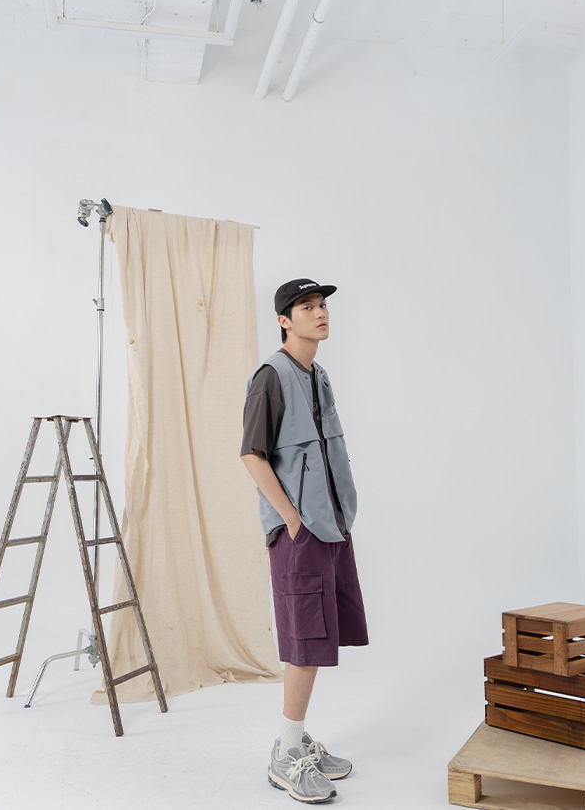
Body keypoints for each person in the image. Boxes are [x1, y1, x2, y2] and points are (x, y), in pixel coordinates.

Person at [241, 278, 368, 804]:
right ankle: (286, 753)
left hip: (330, 525)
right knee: (305, 641)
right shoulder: (271, 376)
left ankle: (299, 739)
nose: (320, 313)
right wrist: (291, 519)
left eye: (322, 305)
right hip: (301, 532)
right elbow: (251, 454)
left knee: (320, 636)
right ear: (283, 320)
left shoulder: (318, 374)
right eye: (307, 307)